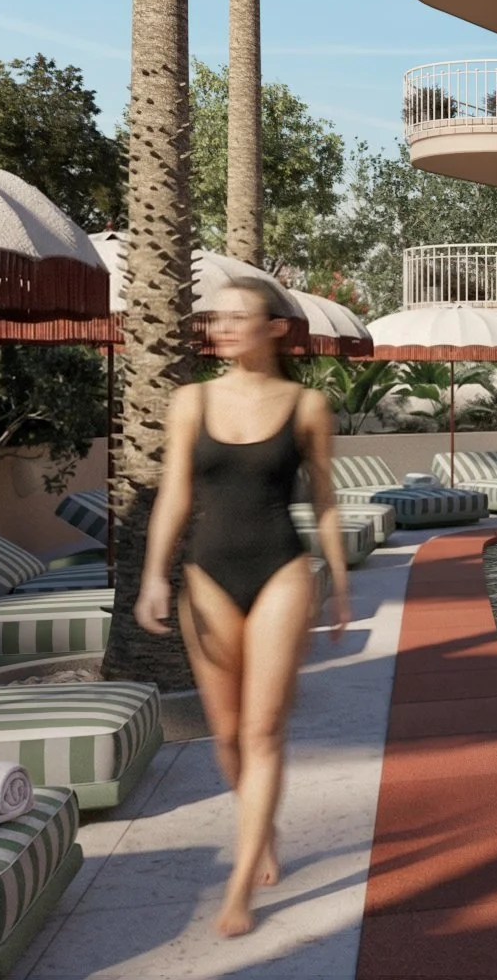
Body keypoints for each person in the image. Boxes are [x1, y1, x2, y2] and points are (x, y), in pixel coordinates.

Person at [135, 277, 352, 937]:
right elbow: (174, 494)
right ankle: (266, 829)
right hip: (207, 576)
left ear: (275, 328)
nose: (222, 327)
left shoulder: (307, 405)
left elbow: (323, 499)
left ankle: (240, 886)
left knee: (263, 732)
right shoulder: (191, 401)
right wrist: (153, 575)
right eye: (216, 317)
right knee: (227, 735)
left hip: (281, 570)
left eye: (238, 316)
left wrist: (339, 579)